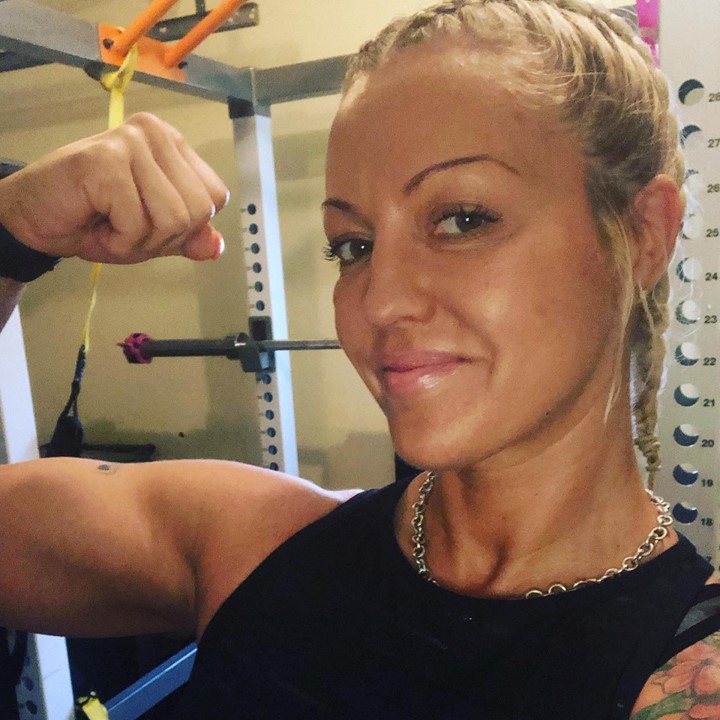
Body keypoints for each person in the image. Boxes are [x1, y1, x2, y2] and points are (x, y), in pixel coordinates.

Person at [0, 1, 716, 717]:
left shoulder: (689, 678)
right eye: (354, 245)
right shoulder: (254, 547)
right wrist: (12, 233)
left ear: (643, 236)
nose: (380, 301)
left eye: (463, 219)